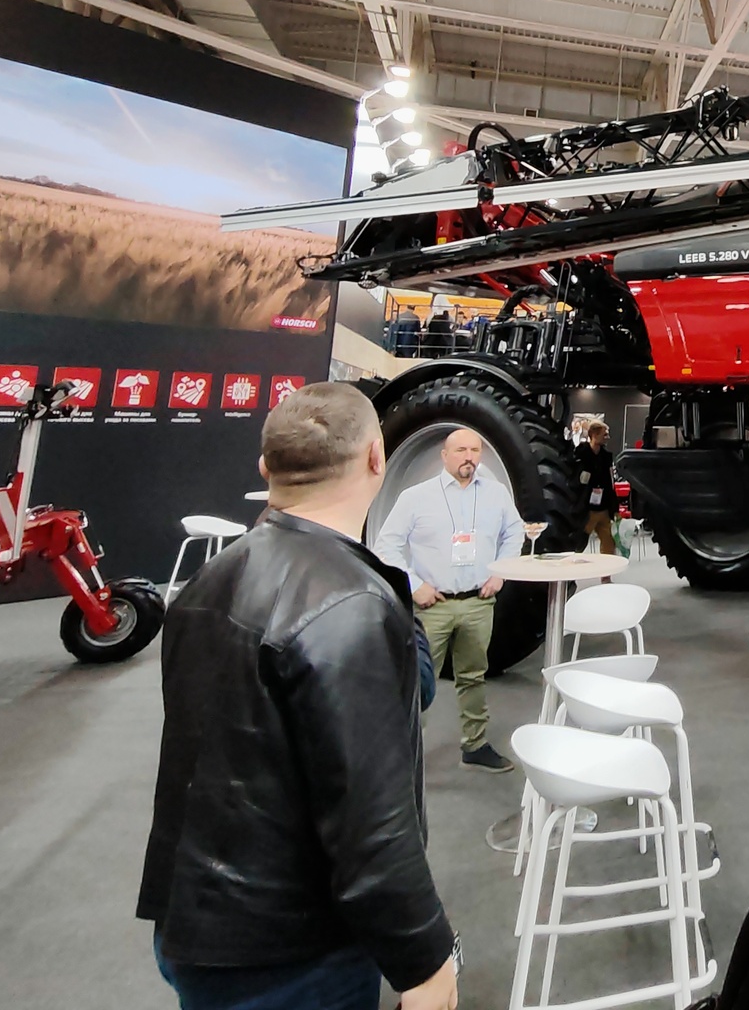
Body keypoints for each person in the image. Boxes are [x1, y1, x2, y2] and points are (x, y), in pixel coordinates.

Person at [139, 383, 458, 1010]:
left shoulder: (208, 579)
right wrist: (425, 960)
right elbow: (370, 817)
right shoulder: (350, 603)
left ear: (265, 466)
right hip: (292, 950)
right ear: (376, 458)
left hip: (199, 923)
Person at [376, 427, 527, 772]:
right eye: (460, 450)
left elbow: (514, 531)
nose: (468, 456)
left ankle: (474, 745)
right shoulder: (417, 497)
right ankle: (402, 757)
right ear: (444, 456)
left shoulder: (496, 494)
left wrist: (500, 572)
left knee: (474, 675)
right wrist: (414, 585)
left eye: (475, 450)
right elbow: (386, 546)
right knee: (417, 682)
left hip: (478, 602)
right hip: (432, 606)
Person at [576, 419, 617, 555]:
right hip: (586, 507)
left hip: (603, 506)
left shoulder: (606, 456)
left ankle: (606, 575)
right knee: (579, 542)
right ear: (594, 434)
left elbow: (610, 480)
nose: (607, 437)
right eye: (604, 434)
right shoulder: (580, 453)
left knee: (609, 543)